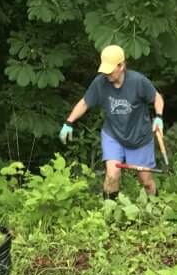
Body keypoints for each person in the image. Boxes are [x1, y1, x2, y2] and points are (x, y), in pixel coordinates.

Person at [59, 45, 164, 199]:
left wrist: (159, 117)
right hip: (113, 135)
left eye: (110, 70)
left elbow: (157, 98)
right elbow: (85, 103)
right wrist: (68, 122)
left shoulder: (138, 81)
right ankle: (109, 210)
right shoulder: (100, 83)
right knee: (112, 175)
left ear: (121, 66)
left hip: (139, 137)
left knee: (146, 181)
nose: (106, 74)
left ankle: (155, 206)